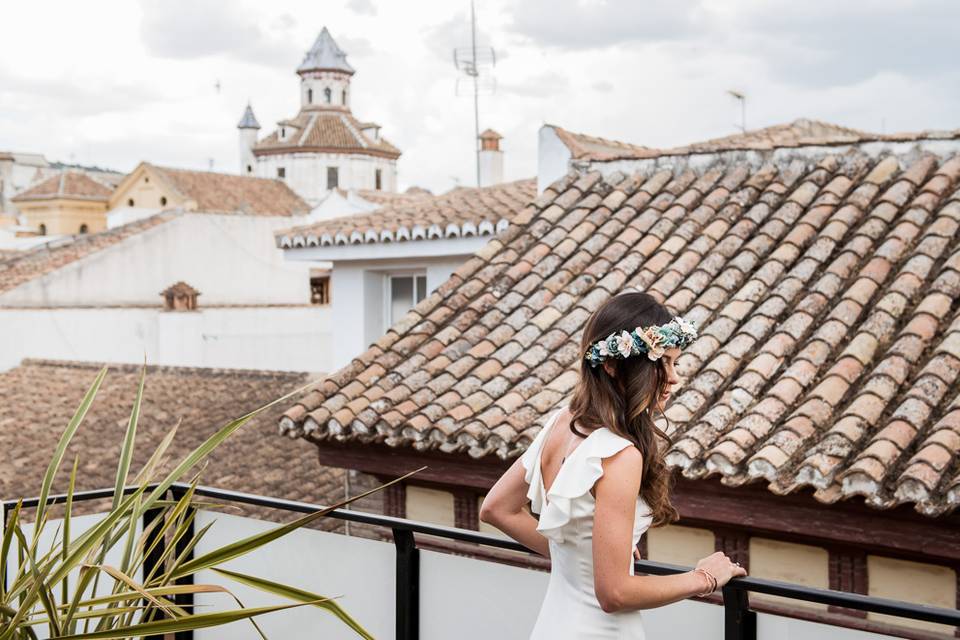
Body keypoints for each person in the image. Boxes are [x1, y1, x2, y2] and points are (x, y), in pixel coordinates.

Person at [480, 291, 748, 638]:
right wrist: (704, 578)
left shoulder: (562, 422)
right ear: (612, 365)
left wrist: (586, 556)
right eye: (660, 362)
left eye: (675, 362)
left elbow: (496, 508)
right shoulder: (621, 455)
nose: (673, 377)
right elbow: (615, 594)